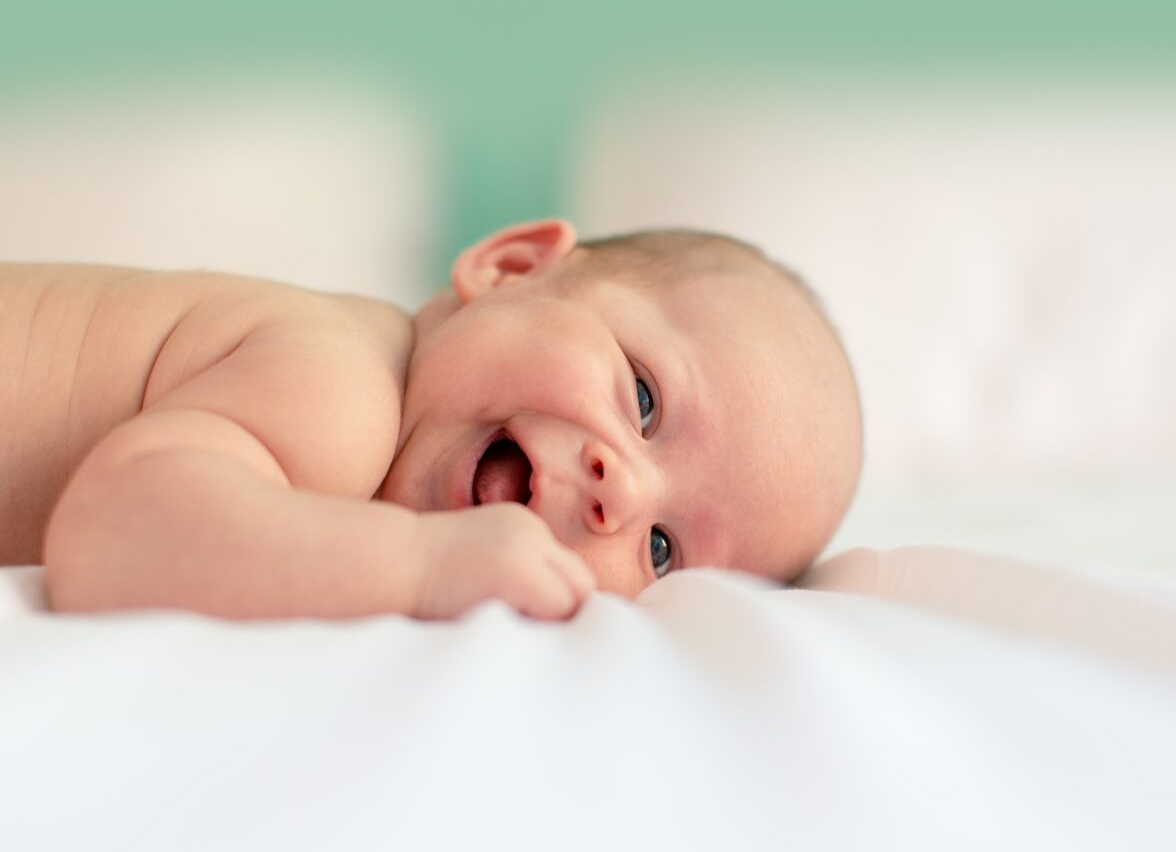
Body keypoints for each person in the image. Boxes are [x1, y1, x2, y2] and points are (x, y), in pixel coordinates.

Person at [0, 219, 862, 620]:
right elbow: (112, 534)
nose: (621, 495)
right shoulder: (343, 388)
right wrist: (416, 566)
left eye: (662, 551)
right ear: (510, 266)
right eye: (642, 398)